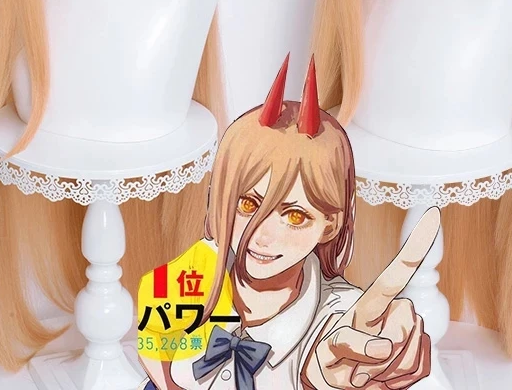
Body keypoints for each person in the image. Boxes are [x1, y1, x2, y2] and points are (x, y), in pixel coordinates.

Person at [138, 55, 438, 390]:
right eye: (248, 204)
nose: (262, 236)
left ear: (329, 224)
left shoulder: (338, 316)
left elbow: (339, 347)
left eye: (295, 216)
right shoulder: (191, 274)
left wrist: (327, 373)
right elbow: (153, 341)